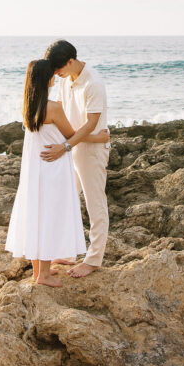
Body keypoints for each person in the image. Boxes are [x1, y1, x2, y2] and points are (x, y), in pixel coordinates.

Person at [5, 59, 110, 287]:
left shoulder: (27, 106)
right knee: (49, 217)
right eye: (52, 74)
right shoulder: (53, 107)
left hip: (35, 170)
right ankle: (43, 275)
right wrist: (100, 137)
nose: (56, 76)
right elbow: (70, 135)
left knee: (37, 216)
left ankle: (38, 272)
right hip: (52, 168)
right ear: (47, 79)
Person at [40, 39, 109, 278]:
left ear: (70, 61)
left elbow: (91, 123)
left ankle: (93, 260)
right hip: (73, 147)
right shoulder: (66, 80)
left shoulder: (93, 83)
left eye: (58, 69)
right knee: (66, 199)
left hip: (90, 153)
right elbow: (62, 112)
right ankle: (69, 253)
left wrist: (65, 146)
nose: (56, 74)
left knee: (95, 204)